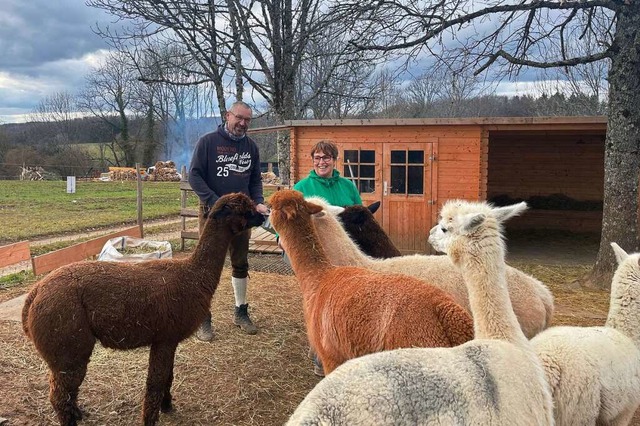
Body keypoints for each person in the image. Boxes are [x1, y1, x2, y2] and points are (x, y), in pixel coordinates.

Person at [188, 100, 270, 341]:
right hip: (213, 216)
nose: (243, 123)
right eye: (239, 118)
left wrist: (258, 202)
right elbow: (194, 176)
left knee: (240, 262)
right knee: (205, 265)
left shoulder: (251, 148)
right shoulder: (208, 142)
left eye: (247, 120)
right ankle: (202, 317)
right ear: (227, 115)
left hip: (241, 219)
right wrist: (216, 203)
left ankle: (240, 312)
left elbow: (255, 180)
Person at [291, 139, 363, 376]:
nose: (322, 162)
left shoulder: (348, 187)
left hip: (346, 254)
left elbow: (358, 217)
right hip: (316, 258)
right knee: (320, 303)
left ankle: (347, 345)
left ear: (334, 160)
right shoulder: (301, 188)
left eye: (326, 158)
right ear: (313, 161)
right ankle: (320, 353)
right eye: (317, 158)